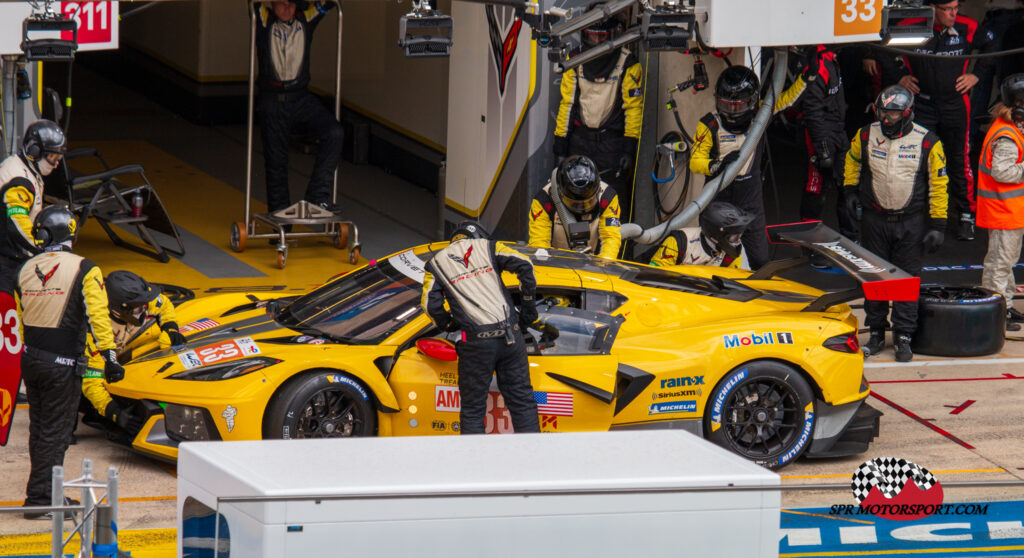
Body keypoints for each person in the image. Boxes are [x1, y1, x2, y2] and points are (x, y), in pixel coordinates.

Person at [17, 205, 122, 519]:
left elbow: (22, 321)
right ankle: (42, 502)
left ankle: (40, 494)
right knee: (57, 434)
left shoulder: (24, 269)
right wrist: (111, 357)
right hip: (61, 366)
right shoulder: (85, 268)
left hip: (30, 362)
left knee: (39, 431)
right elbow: (98, 317)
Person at [844, 85, 949, 362]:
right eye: (882, 113)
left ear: (906, 113)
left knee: (906, 281)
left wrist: (938, 224)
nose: (886, 120)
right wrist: (849, 190)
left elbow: (939, 183)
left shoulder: (928, 141)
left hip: (910, 222)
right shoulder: (866, 133)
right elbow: (852, 160)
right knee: (875, 279)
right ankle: (876, 332)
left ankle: (903, 336)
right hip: (874, 219)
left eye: (891, 115)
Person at [421, 221, 540, 435]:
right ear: (479, 237)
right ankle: (532, 460)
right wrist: (528, 307)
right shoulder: (490, 246)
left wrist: (448, 324)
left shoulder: (436, 263)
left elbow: (430, 305)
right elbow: (526, 265)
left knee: (473, 410)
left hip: (475, 342)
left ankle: (474, 464)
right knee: (523, 403)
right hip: (510, 336)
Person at [690, 64, 809, 269]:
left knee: (761, 261)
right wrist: (716, 166)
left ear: (752, 102)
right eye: (727, 104)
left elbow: (787, 98)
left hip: (750, 198)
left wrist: (806, 78)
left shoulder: (760, 116)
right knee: (715, 261)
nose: (733, 110)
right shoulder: (709, 124)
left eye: (738, 105)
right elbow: (695, 161)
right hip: (718, 198)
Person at [895, 0, 996, 241]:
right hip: (922, 103)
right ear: (932, 9)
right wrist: (899, 76)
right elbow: (882, 48)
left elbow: (992, 45)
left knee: (959, 159)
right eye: (947, 9)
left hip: (955, 104)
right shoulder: (912, 24)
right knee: (917, 160)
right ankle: (915, 213)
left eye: (956, 8)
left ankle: (965, 215)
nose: (953, 14)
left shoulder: (966, 25)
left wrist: (976, 75)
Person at [553, 11, 643, 222]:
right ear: (585, 35)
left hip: (612, 145)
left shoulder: (628, 63)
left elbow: (634, 109)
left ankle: (613, 251)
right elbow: (567, 104)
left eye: (602, 37)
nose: (597, 41)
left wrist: (630, 149)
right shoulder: (574, 60)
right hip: (580, 142)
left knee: (613, 207)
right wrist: (560, 146)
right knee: (574, 203)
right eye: (593, 36)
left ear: (613, 34)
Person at [256, 0, 344, 215]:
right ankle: (280, 220)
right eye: (282, 3)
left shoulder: (307, 19)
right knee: (276, 162)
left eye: (292, 4)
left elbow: (327, 3)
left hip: (300, 98)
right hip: (272, 101)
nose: (287, 8)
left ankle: (318, 196)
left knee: (334, 132)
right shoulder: (263, 19)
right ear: (273, 4)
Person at [80, 270, 186, 437]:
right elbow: (91, 384)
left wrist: (170, 328)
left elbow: (164, 304)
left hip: (120, 348)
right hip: (79, 361)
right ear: (118, 309)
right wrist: (116, 414)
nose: (145, 308)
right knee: (78, 391)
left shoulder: (140, 302)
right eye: (139, 307)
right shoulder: (93, 331)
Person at [793, 46, 858, 243]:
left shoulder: (831, 58)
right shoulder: (817, 63)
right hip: (819, 134)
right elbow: (812, 111)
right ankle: (810, 241)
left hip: (838, 129)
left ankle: (851, 239)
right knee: (816, 188)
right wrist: (823, 151)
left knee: (847, 184)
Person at [978, 74, 1024, 330]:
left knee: (1004, 262)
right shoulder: (1007, 136)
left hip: (1006, 210)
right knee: (999, 264)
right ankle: (995, 314)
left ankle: (1004, 305)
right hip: (1004, 210)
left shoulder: (1008, 125)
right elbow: (1003, 172)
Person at [1, 120, 65, 282]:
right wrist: (43, 249)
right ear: (34, 152)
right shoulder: (19, 180)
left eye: (59, 157)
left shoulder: (24, 167)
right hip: (7, 258)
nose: (57, 163)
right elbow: (17, 222)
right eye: (52, 156)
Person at [528, 155, 621, 259]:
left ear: (597, 190)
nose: (582, 208)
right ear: (560, 194)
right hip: (556, 264)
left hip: (595, 263)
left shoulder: (607, 197)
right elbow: (539, 244)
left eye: (588, 202)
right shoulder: (544, 200)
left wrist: (605, 265)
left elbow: (611, 237)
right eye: (576, 204)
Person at [648, 201, 752, 269]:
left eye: (739, 236)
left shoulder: (732, 253)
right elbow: (652, 275)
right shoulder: (678, 242)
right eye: (733, 238)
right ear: (715, 238)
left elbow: (733, 284)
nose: (738, 242)